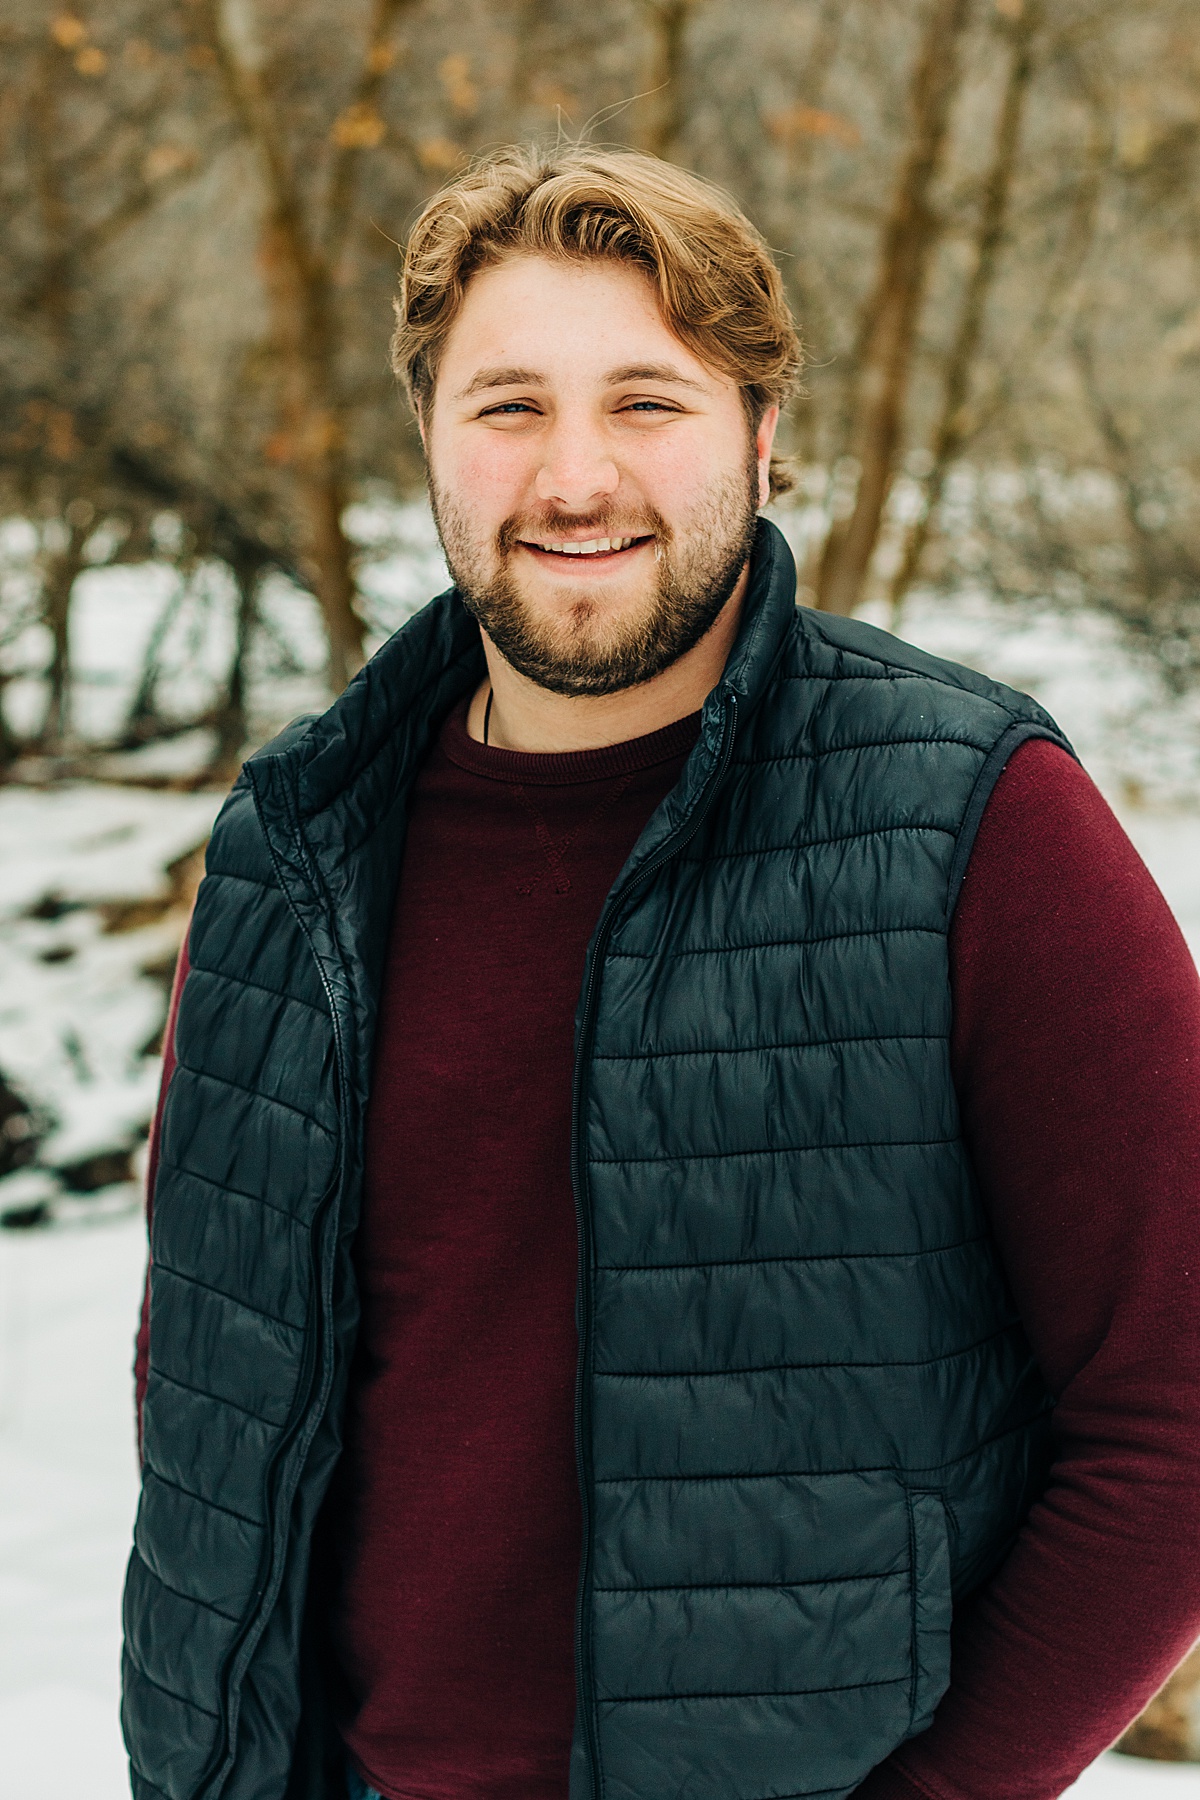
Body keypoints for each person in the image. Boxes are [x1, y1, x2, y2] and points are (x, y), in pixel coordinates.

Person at [123, 145, 1200, 1800]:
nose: (573, 479)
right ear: (428, 437)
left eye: (646, 402)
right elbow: (207, 1370)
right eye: (506, 407)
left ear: (764, 437)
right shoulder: (292, 842)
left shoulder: (968, 815)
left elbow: (1172, 1408)